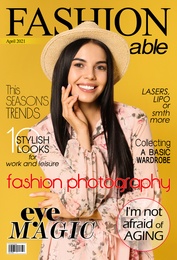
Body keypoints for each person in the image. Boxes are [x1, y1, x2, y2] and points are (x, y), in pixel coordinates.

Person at [28, 21, 160, 259]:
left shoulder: (134, 121)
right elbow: (80, 204)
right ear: (64, 69)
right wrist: (82, 135)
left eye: (100, 67)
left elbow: (148, 201)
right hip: (66, 250)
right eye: (79, 65)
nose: (90, 75)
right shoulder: (41, 134)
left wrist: (85, 213)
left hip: (123, 248)